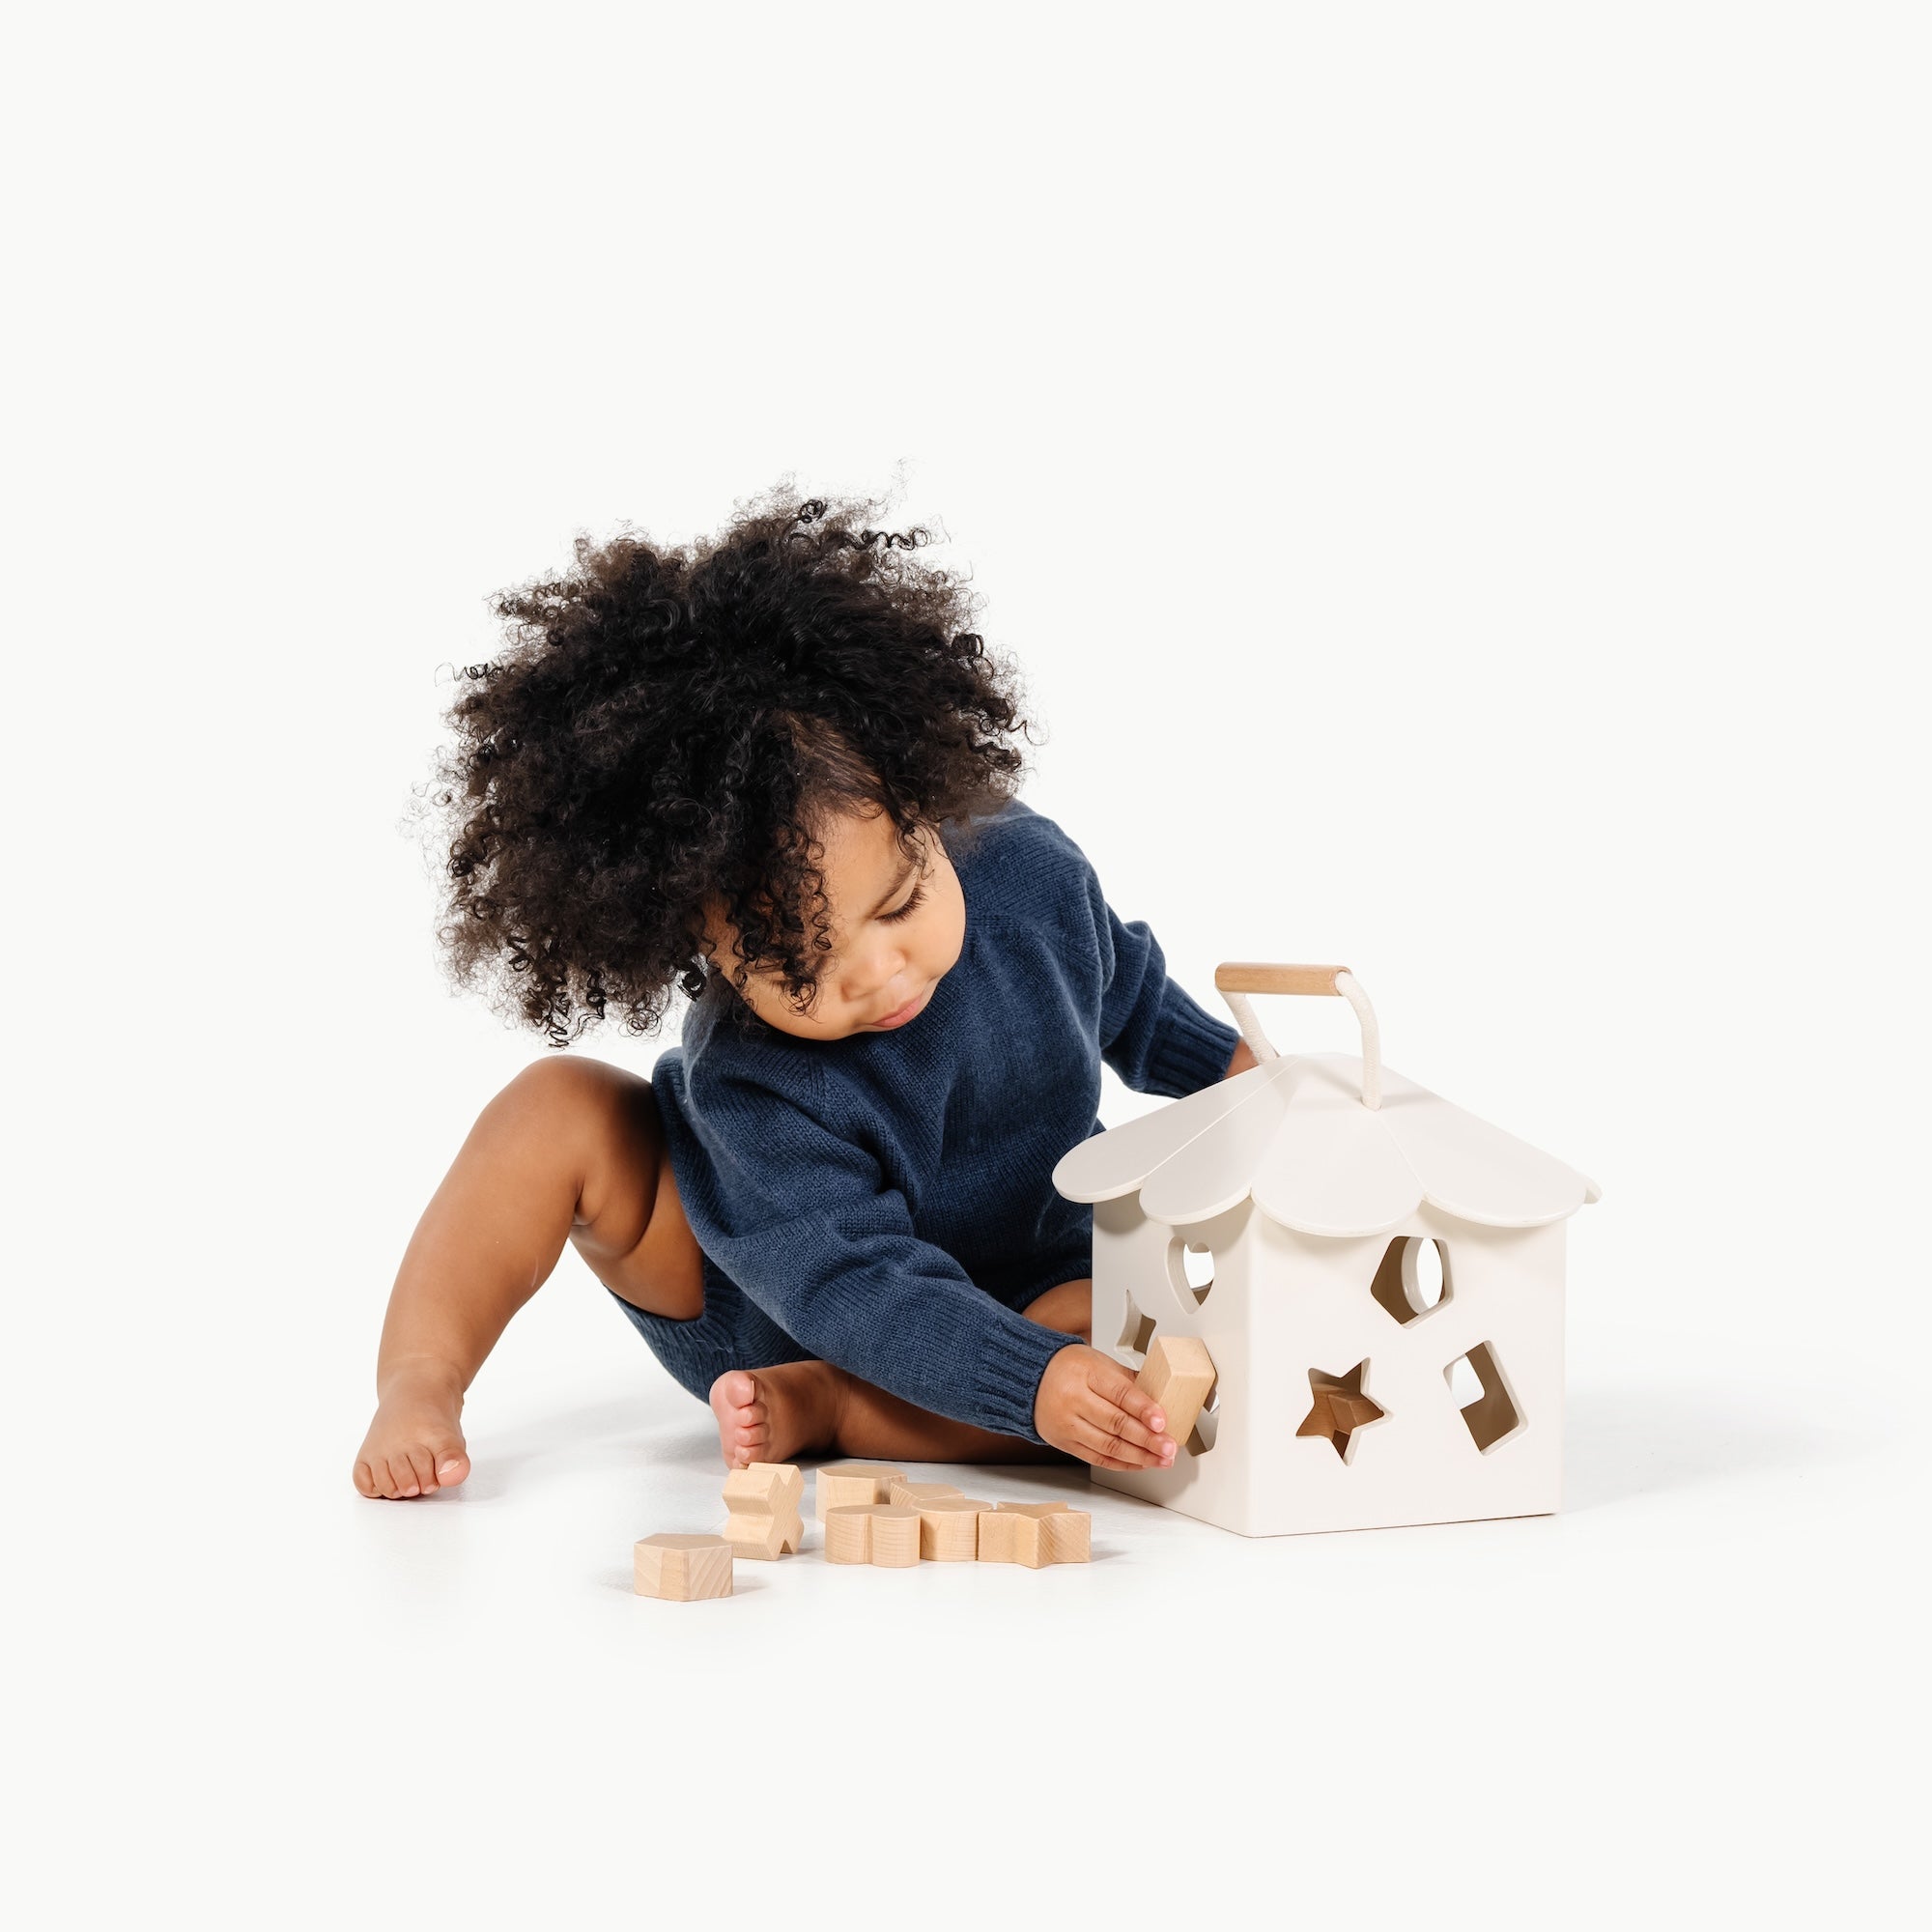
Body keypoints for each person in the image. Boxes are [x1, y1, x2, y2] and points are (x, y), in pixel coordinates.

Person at [353, 486, 1256, 1499]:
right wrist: (1029, 1383)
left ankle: (833, 1409)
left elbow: (1124, 991)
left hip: (1018, 1281)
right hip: (767, 1289)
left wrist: (1239, 1069)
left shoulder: (1028, 872)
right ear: (694, 941)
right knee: (549, 1110)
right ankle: (421, 1377)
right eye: (798, 967)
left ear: (930, 802)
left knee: (1120, 1362)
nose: (876, 974)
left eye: (902, 900)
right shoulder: (755, 1078)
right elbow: (855, 1286)